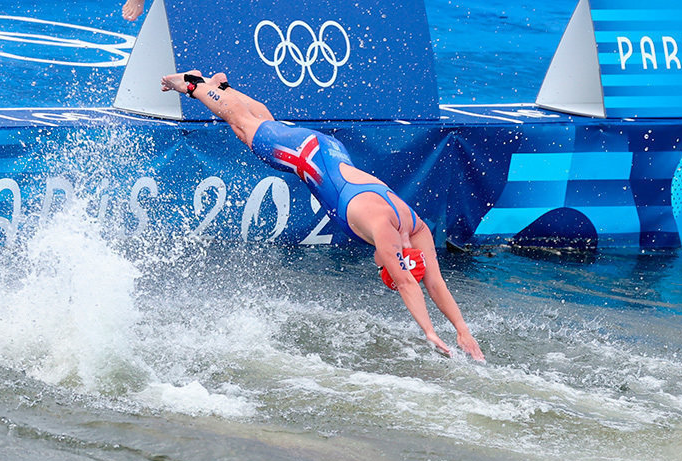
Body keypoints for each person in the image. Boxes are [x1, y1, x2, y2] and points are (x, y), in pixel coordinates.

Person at [161, 70, 485, 361]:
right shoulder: (385, 230)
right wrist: (429, 331)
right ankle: (194, 83)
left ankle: (223, 88)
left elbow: (434, 282)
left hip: (327, 151)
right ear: (392, 259)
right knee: (245, 126)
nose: (378, 264)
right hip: (307, 156)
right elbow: (407, 283)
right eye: (383, 266)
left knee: (259, 130)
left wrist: (462, 330)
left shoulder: (415, 229)